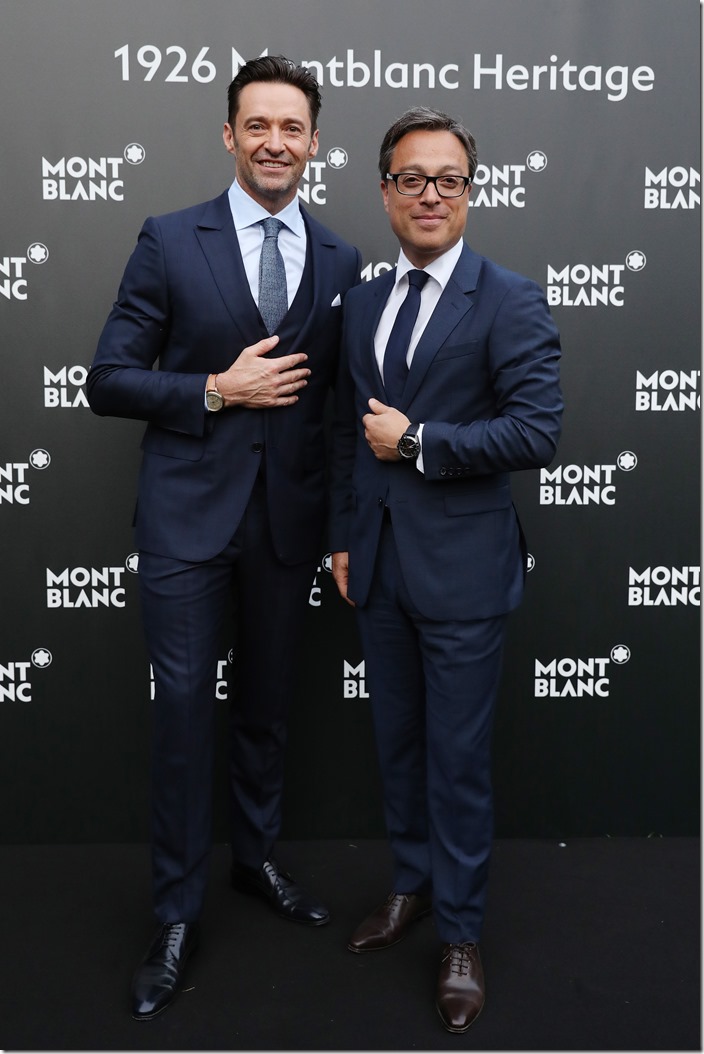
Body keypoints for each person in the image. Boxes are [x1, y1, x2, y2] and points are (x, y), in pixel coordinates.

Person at [87, 55, 361, 1021]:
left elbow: (336, 416)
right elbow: (108, 378)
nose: (275, 142)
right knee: (183, 722)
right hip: (185, 525)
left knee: (268, 710)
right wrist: (213, 389)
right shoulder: (168, 240)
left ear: (314, 140)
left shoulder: (340, 260)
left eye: (293, 127)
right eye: (258, 125)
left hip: (288, 529)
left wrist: (337, 529)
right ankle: (174, 910)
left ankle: (255, 861)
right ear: (230, 135)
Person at [329, 107, 562, 1033]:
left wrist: (420, 441)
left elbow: (537, 431)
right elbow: (351, 436)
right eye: (411, 178)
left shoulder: (510, 298)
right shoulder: (364, 301)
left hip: (464, 573)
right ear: (385, 190)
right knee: (397, 747)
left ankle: (461, 934)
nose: (430, 194)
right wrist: (348, 536)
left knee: (457, 762)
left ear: (472, 191)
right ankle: (412, 886)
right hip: (379, 567)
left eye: (449, 179)